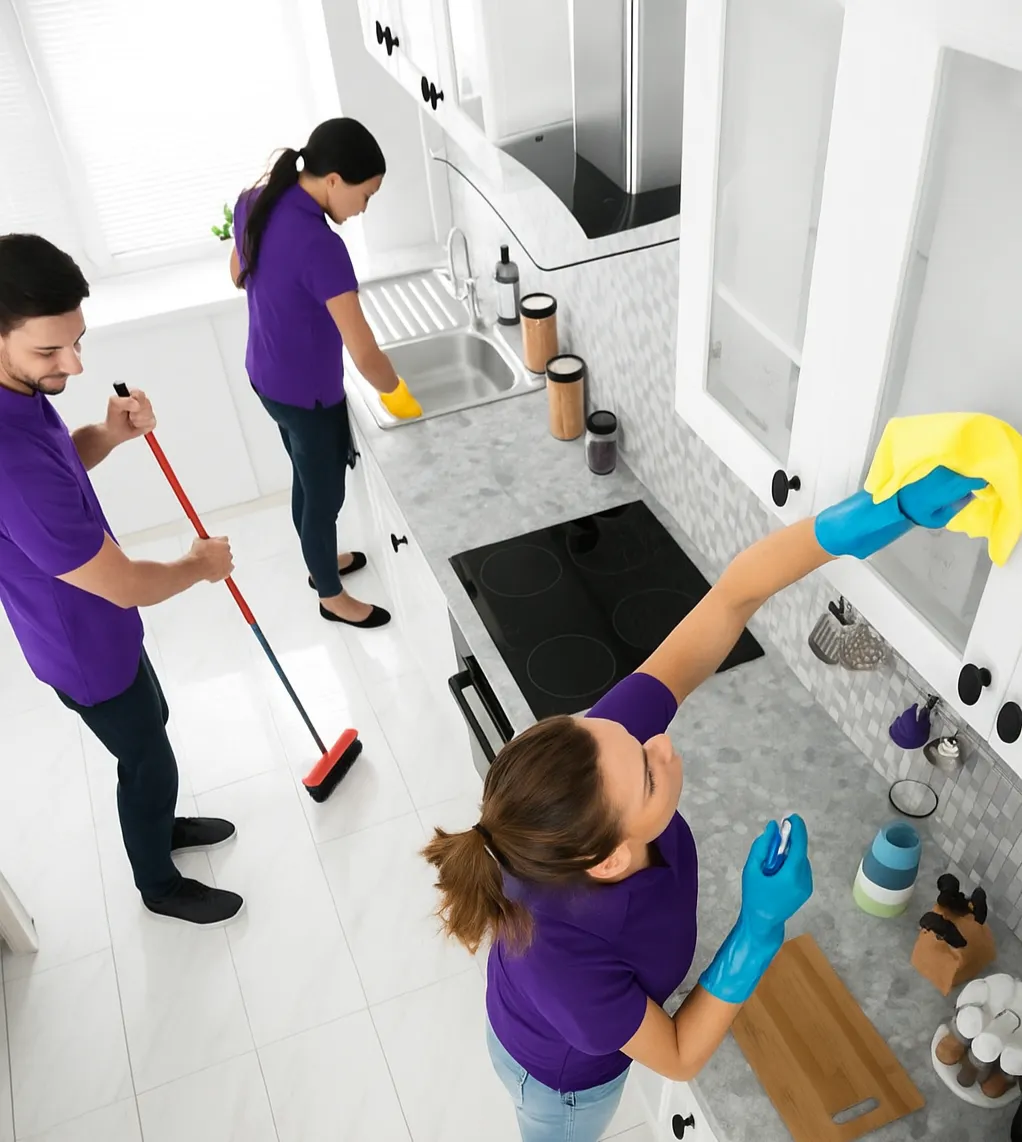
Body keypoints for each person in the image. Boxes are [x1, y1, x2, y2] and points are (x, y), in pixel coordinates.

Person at [424, 466, 984, 1142]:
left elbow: (730, 600)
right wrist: (758, 927)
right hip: (559, 1083)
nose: (658, 742)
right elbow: (681, 1053)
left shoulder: (596, 766)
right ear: (608, 860)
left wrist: (862, 521)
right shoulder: (564, 961)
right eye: (647, 773)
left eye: (619, 730)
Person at [0, 234, 244, 927]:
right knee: (146, 759)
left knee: (153, 726)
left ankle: (158, 827)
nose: (73, 364)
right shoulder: (7, 458)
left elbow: (61, 471)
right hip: (82, 641)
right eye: (51, 351)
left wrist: (106, 434)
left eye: (75, 341)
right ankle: (158, 882)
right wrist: (199, 566)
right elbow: (125, 584)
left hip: (94, 627)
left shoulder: (15, 390)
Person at [231, 117, 420, 630]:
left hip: (266, 375)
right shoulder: (322, 246)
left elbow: (237, 274)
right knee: (325, 496)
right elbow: (365, 354)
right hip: (307, 396)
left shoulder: (257, 199)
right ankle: (330, 595)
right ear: (334, 180)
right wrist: (402, 396)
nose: (363, 208)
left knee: (304, 478)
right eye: (367, 194)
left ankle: (318, 561)